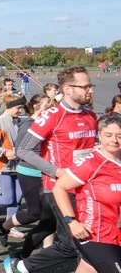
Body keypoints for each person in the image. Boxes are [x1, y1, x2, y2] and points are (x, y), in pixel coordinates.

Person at [5, 66, 98, 273]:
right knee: (75, 242)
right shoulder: (52, 115)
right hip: (60, 189)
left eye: (90, 85)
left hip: (86, 189)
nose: (90, 90)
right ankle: (22, 265)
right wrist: (56, 171)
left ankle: (23, 265)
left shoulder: (91, 115)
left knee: (80, 240)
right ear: (67, 89)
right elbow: (23, 149)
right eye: (85, 86)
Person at [52, 113, 121, 273]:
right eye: (108, 135)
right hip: (93, 233)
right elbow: (59, 187)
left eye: (119, 135)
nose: (114, 140)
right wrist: (71, 221)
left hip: (115, 232)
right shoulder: (91, 163)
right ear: (100, 135)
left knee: (88, 269)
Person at [0, 94, 51, 247]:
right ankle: (4, 226)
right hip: (30, 172)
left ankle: (48, 248)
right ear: (36, 107)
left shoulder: (49, 123)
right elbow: (21, 151)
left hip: (46, 173)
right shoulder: (27, 125)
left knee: (50, 214)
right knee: (34, 213)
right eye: (48, 105)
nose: (52, 108)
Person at [0, 94, 25, 223]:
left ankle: (8, 226)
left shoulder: (17, 120)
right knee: (8, 199)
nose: (21, 111)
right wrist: (5, 152)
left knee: (18, 197)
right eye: (19, 108)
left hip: (17, 165)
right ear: (10, 106)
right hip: (2, 166)